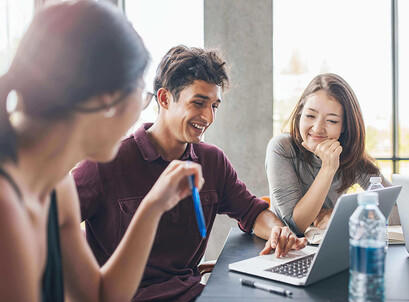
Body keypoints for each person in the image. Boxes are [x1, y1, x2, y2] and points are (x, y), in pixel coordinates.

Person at [0, 1, 205, 301]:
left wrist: (153, 207)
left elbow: (98, 295)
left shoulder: (58, 186)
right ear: (107, 101)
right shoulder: (6, 207)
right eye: (142, 94)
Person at [72, 45, 307, 302]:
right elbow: (49, 226)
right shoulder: (106, 163)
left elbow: (252, 212)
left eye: (214, 106)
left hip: (194, 295)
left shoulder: (212, 161)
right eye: (198, 103)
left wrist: (277, 231)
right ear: (164, 99)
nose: (208, 116)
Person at [265, 73, 391, 236]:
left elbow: (396, 209)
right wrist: (328, 168)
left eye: (331, 121)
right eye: (310, 116)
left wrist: (339, 214)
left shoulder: (349, 154)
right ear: (300, 114)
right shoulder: (282, 148)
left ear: (344, 126)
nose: (317, 128)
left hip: (330, 248)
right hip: (286, 251)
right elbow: (295, 226)